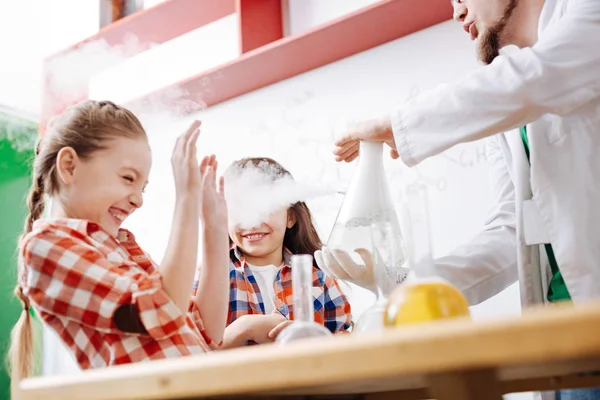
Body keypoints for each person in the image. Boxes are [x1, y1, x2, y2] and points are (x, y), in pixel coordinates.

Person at [317, 0, 600, 399]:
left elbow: (541, 79)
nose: (456, 13)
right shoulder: (506, 106)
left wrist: (396, 124)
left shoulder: (586, 15)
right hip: (564, 346)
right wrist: (402, 282)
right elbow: (510, 233)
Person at [8, 101, 230, 388]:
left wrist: (214, 225)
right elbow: (163, 311)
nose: (139, 200)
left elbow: (206, 330)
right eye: (128, 178)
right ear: (69, 166)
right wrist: (186, 198)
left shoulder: (121, 247)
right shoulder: (45, 246)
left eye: (143, 188)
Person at [220, 157, 352, 348]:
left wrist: (312, 341)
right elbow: (192, 353)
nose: (252, 222)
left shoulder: (319, 279)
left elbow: (345, 342)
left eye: (265, 207)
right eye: (241, 209)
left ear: (290, 217)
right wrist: (244, 327)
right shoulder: (212, 279)